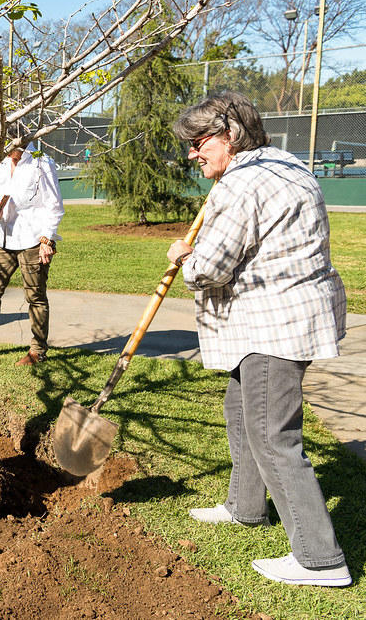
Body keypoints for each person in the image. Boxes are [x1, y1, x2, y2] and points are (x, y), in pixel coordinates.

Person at [167, 91, 350, 587]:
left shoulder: (242, 185)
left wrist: (184, 255)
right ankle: (246, 506)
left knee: (275, 437)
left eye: (199, 142)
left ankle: (320, 559)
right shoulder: (286, 165)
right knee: (239, 408)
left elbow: (210, 268)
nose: (192, 153)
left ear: (229, 135)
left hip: (274, 326)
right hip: (281, 317)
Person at [0, 141, 64, 365]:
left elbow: (55, 206)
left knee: (35, 298)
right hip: (1, 239)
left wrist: (47, 240)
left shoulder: (42, 164)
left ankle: (38, 350)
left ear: (24, 140)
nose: (5, 144)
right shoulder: (0, 163)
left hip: (32, 241)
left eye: (10, 139)